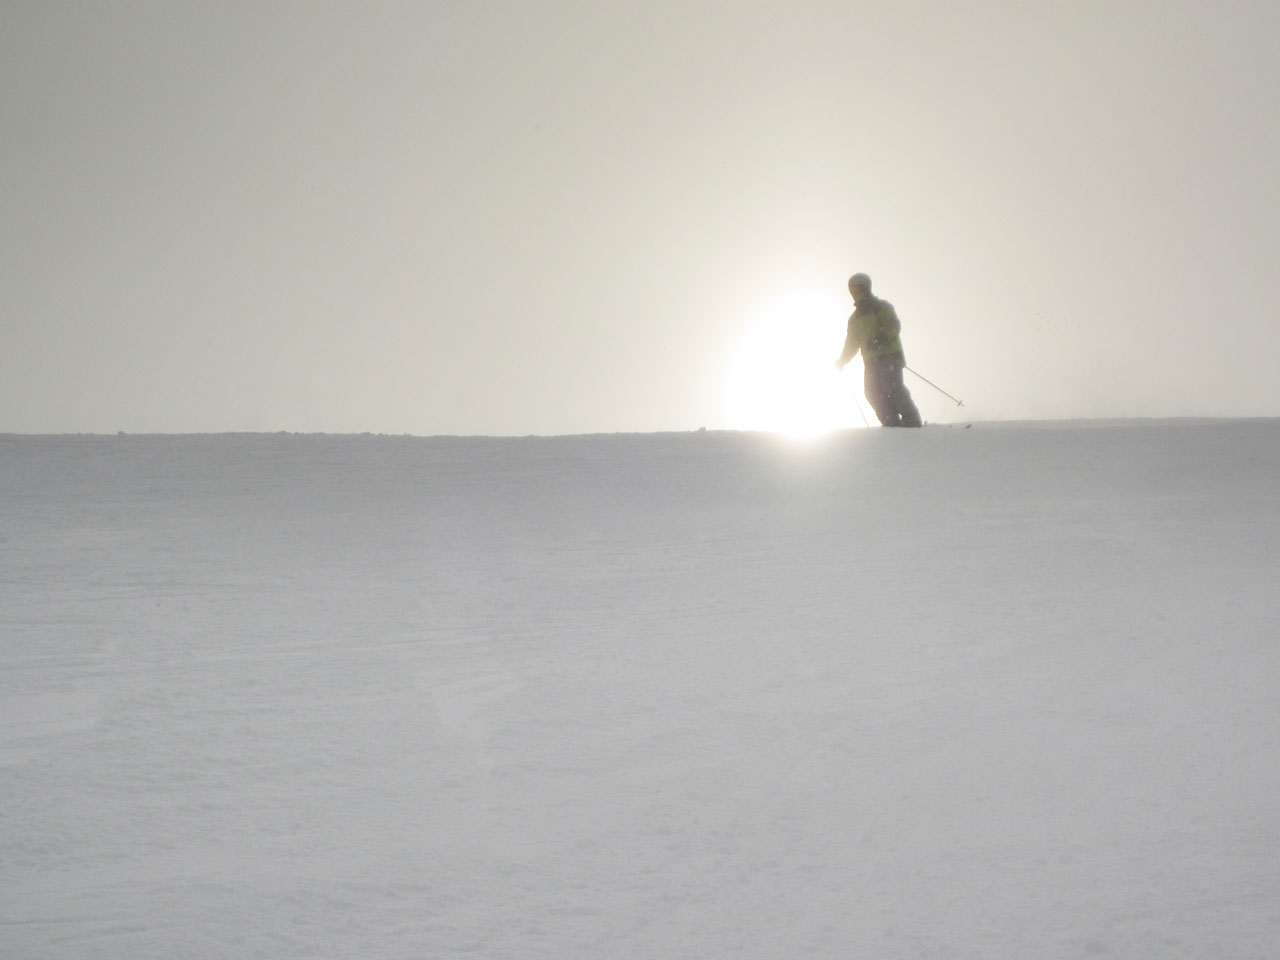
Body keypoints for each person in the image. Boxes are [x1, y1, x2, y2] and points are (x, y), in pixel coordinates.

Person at [835, 273, 923, 427]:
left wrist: (880, 338)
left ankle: (911, 419)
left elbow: (893, 325)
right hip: (870, 361)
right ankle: (890, 421)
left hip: (889, 356)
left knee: (891, 386)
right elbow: (851, 344)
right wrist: (842, 360)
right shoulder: (854, 320)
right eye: (853, 291)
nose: (856, 294)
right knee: (872, 392)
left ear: (867, 289)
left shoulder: (881, 308)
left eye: (859, 290)